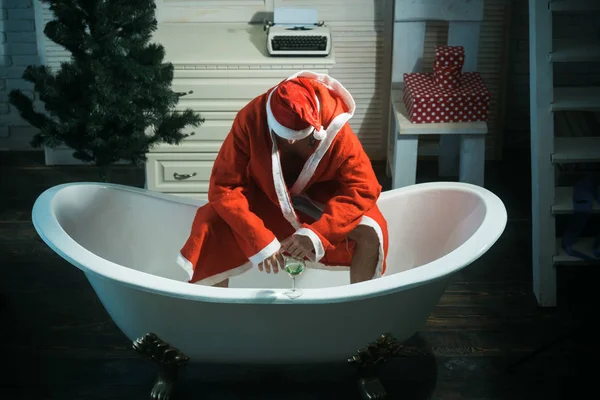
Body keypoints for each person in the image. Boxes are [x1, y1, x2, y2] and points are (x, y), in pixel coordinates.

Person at [176, 70, 389, 287]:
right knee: (211, 222)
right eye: (283, 138)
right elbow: (224, 186)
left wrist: (318, 233)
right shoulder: (250, 119)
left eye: (302, 139)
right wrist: (259, 239)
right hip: (265, 195)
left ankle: (361, 310)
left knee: (372, 229)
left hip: (321, 197)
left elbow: (364, 187)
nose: (292, 144)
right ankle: (218, 313)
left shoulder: (334, 126)